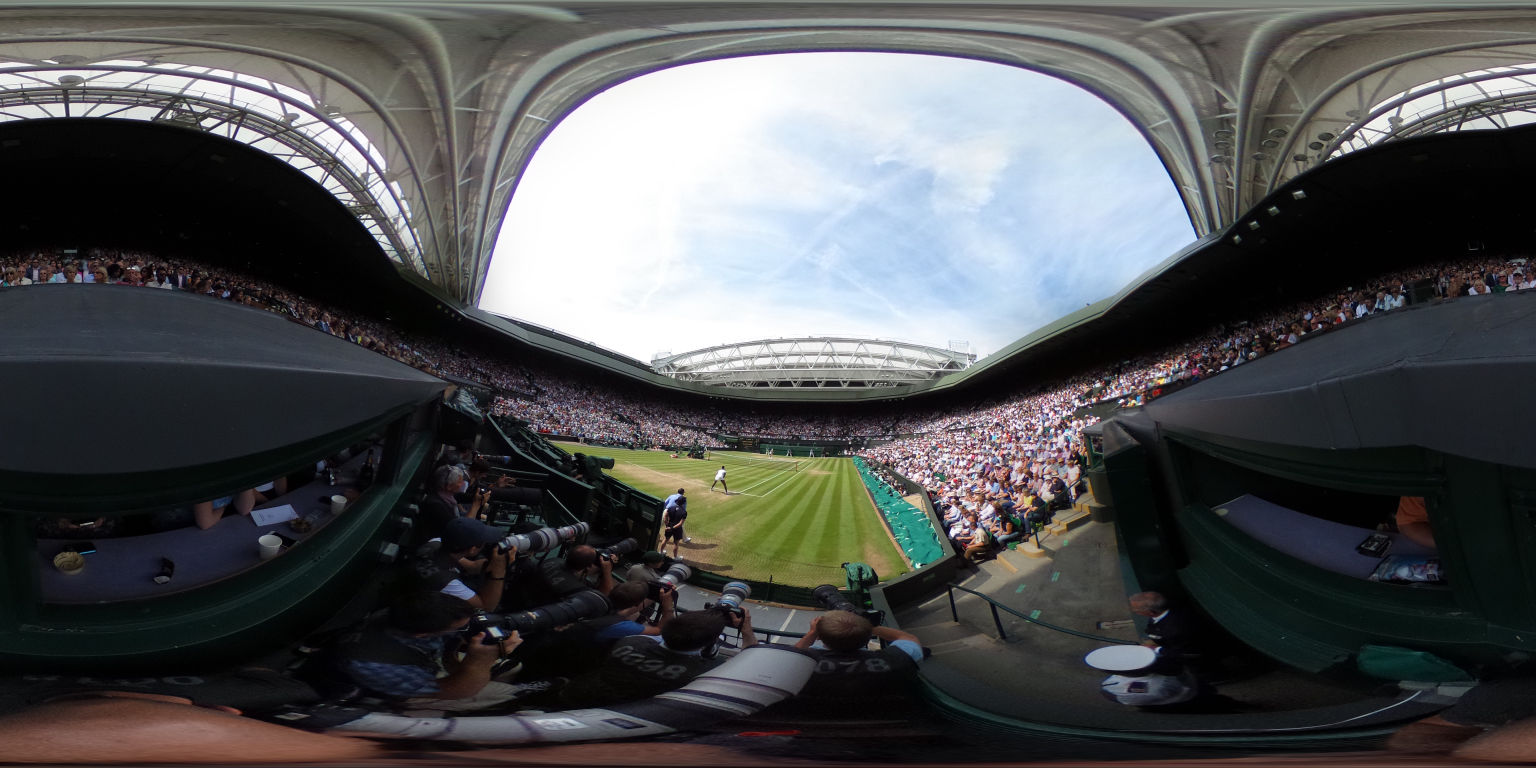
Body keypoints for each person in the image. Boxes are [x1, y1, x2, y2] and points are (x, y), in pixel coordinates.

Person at [334, 591, 547, 712]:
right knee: (505, 694)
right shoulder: (374, 664)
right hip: (400, 692)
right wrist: (480, 661)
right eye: (460, 627)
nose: (465, 630)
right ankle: (517, 695)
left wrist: (454, 658)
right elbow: (457, 690)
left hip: (423, 663)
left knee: (513, 667)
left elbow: (449, 642)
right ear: (423, 634)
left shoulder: (410, 612)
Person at [557, 608, 755, 708]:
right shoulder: (707, 671)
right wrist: (746, 630)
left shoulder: (630, 642)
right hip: (625, 712)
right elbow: (752, 661)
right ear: (709, 643)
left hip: (578, 697)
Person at [782, 610, 923, 714]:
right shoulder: (896, 660)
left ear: (820, 637)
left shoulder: (801, 664)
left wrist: (811, 633)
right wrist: (869, 626)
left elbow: (793, 656)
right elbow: (908, 638)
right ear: (867, 637)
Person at [410, 517, 514, 610]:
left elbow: (471, 567)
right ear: (472, 549)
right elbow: (487, 605)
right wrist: (499, 571)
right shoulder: (447, 583)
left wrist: (493, 563)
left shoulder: (436, 543)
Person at [538, 544, 615, 598]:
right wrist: (606, 572)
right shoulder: (577, 589)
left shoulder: (553, 560)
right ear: (589, 566)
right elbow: (601, 596)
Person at [662, 491, 689, 557]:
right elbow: (680, 523)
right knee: (676, 543)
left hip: (669, 526)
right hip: (677, 529)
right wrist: (672, 528)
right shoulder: (684, 512)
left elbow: (665, 516)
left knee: (665, 539)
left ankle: (661, 552)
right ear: (683, 503)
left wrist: (667, 525)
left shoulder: (670, 508)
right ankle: (675, 557)